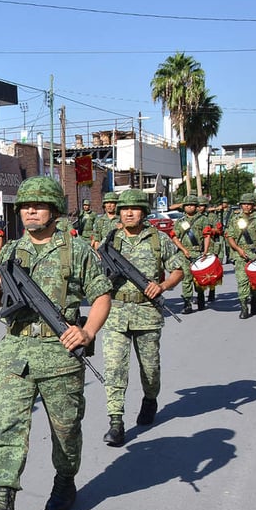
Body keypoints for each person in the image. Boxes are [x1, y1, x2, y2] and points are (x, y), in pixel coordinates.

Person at [0, 176, 112, 510]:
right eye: (26, 206)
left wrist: (88, 332)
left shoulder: (75, 250)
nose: (30, 211)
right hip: (16, 352)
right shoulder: (10, 252)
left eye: (39, 206)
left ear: (54, 211)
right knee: (6, 427)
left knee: (65, 432)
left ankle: (65, 482)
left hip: (61, 354)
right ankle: (2, 508)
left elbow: (101, 295)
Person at [100, 189, 185, 446]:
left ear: (143, 212)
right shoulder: (111, 239)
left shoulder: (158, 239)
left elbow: (179, 268)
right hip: (115, 313)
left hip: (147, 313)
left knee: (150, 369)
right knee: (114, 368)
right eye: (124, 209)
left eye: (134, 209)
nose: (128, 213)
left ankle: (150, 399)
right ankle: (116, 422)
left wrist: (163, 286)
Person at [225, 193, 256, 319]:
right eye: (244, 204)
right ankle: (244, 307)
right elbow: (230, 237)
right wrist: (238, 249)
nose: (246, 206)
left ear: (253, 205)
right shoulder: (235, 219)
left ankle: (255, 302)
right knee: (242, 282)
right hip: (241, 255)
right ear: (241, 205)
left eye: (249, 204)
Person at [170, 195, 211, 314]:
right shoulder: (180, 221)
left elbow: (206, 235)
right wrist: (183, 250)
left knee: (198, 278)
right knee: (186, 278)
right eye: (187, 205)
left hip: (198, 251)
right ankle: (187, 303)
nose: (189, 207)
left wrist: (205, 251)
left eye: (192, 205)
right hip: (185, 253)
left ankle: (201, 297)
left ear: (196, 207)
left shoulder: (203, 219)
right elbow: (174, 237)